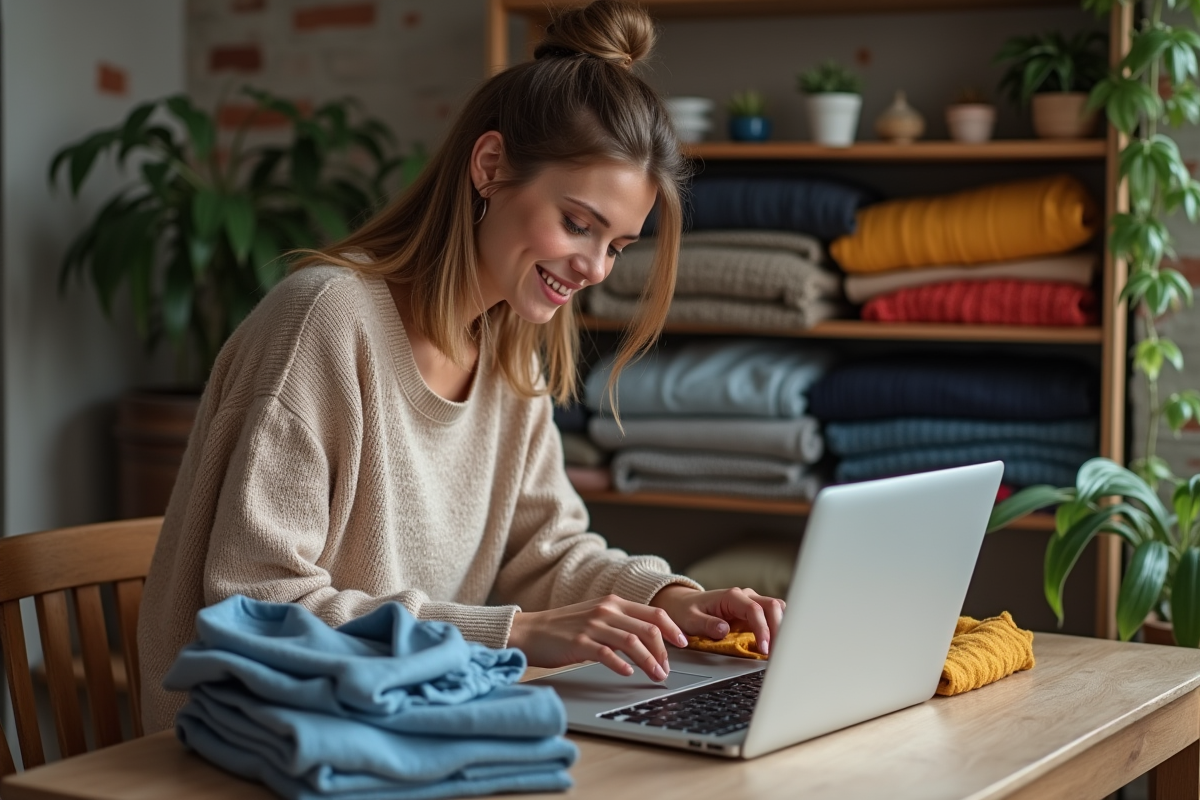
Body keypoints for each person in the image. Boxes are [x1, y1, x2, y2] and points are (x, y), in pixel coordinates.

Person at [138, 0, 784, 734]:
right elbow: (260, 607)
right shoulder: (326, 320)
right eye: (578, 223)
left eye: (617, 245)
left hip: (403, 720)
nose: (595, 267)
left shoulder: (510, 345)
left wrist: (668, 599)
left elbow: (543, 551)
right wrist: (509, 634)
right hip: (252, 739)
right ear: (490, 166)